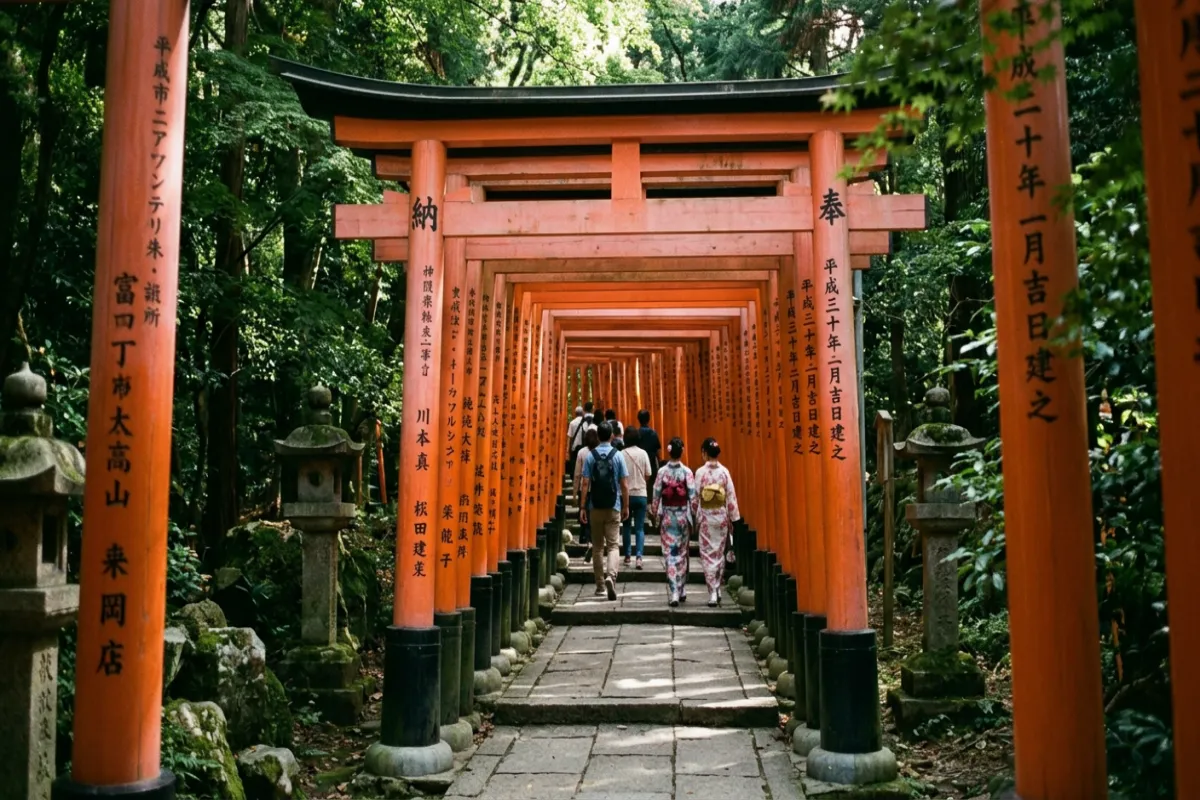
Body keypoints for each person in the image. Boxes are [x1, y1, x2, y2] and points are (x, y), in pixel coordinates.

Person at [580, 422, 629, 600]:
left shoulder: (590, 456)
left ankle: (600, 585)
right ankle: (611, 576)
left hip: (595, 506)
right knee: (613, 545)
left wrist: (582, 507)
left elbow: (585, 483)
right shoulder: (618, 455)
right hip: (613, 505)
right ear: (611, 436)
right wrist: (626, 506)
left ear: (598, 436)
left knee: (598, 547)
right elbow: (624, 484)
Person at [692, 437, 741, 607]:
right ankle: (717, 587)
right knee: (719, 554)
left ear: (704, 453)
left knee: (707, 556)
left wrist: (694, 515)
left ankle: (712, 591)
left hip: (706, 517)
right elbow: (731, 497)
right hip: (721, 517)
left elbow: (695, 497)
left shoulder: (700, 473)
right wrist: (734, 519)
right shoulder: (724, 472)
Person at [650, 437, 696, 606]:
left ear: (669, 451)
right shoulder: (687, 472)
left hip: (668, 517)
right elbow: (693, 498)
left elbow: (656, 494)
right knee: (682, 554)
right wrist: (694, 517)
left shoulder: (662, 472)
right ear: (682, 451)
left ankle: (674, 591)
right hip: (682, 516)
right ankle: (681, 588)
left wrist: (654, 513)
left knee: (670, 554)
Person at [619, 426, 652, 569]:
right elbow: (648, 474)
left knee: (626, 526)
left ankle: (627, 556)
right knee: (639, 528)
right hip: (641, 494)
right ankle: (639, 557)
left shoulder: (621, 454)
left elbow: (619, 475)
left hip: (625, 495)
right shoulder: (643, 453)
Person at [573, 428, 600, 547]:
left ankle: (584, 539)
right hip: (596, 488)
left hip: (583, 489)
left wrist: (575, 492)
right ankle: (594, 539)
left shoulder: (582, 452)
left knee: (583, 514)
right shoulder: (599, 452)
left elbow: (577, 474)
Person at [637, 409, 662, 481]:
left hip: (640, 464)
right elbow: (658, 450)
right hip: (652, 464)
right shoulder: (653, 433)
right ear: (649, 419)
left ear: (638, 419)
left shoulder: (636, 434)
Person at [566, 406, 585, 473]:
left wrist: (567, 451)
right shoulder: (585, 422)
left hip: (574, 448)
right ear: (583, 413)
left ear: (575, 413)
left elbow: (569, 437)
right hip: (584, 446)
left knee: (574, 466)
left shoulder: (572, 423)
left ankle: (575, 477)